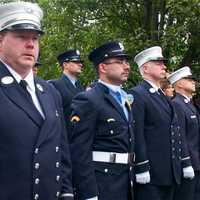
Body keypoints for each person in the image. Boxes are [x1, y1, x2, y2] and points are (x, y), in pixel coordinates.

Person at [0, 2, 73, 200]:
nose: (31, 44)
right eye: (21, 37)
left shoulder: (49, 91)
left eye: (34, 38)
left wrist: (66, 193)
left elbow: (62, 150)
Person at [69, 41, 135, 200]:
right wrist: (88, 193)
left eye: (126, 62)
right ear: (103, 67)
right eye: (119, 62)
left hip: (125, 181)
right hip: (102, 185)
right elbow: (79, 152)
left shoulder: (124, 99)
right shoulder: (88, 100)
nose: (126, 67)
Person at [128, 46, 193, 200]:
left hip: (169, 172)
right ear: (145, 68)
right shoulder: (137, 94)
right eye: (158, 63)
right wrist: (141, 166)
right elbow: (137, 133)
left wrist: (184, 162)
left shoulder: (162, 96)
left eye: (163, 63)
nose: (164, 66)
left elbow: (175, 132)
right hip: (152, 174)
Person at [168, 66, 200, 200]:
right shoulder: (177, 105)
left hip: (196, 163)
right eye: (189, 79)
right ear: (180, 83)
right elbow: (180, 136)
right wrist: (186, 163)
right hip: (188, 165)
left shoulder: (189, 105)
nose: (194, 82)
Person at [49, 50, 84, 129]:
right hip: (65, 134)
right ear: (65, 65)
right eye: (76, 62)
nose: (80, 64)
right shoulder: (55, 85)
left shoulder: (80, 87)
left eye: (80, 62)